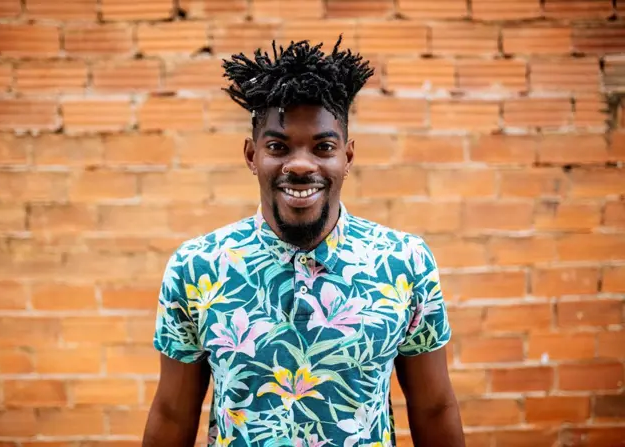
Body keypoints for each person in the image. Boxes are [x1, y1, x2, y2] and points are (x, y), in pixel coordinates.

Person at [142, 36, 465, 447]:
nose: (299, 164)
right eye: (277, 146)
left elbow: (434, 407)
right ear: (251, 155)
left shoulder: (403, 262)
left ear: (346, 158)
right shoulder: (198, 267)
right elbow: (172, 412)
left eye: (323, 147)